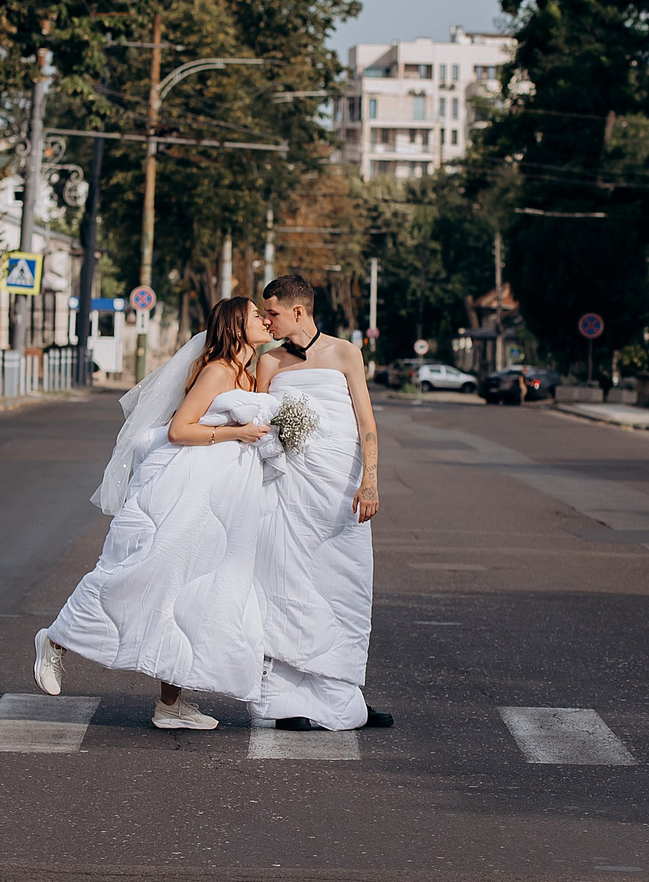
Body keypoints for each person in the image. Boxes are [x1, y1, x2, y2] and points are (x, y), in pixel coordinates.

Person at [34, 297, 277, 729]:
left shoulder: (250, 372)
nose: (265, 319)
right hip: (187, 486)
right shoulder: (218, 370)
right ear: (237, 326)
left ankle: (170, 704)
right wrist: (238, 432)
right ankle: (55, 641)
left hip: (223, 495)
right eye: (257, 314)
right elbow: (180, 428)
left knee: (186, 596)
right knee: (142, 573)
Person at [252, 274, 391, 731]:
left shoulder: (347, 353)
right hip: (287, 493)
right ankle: (288, 700)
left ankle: (344, 692)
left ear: (298, 311)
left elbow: (366, 423)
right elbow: (256, 425)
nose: (265, 321)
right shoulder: (268, 362)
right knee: (287, 586)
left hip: (341, 494)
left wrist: (369, 482)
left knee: (345, 588)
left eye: (271, 313)